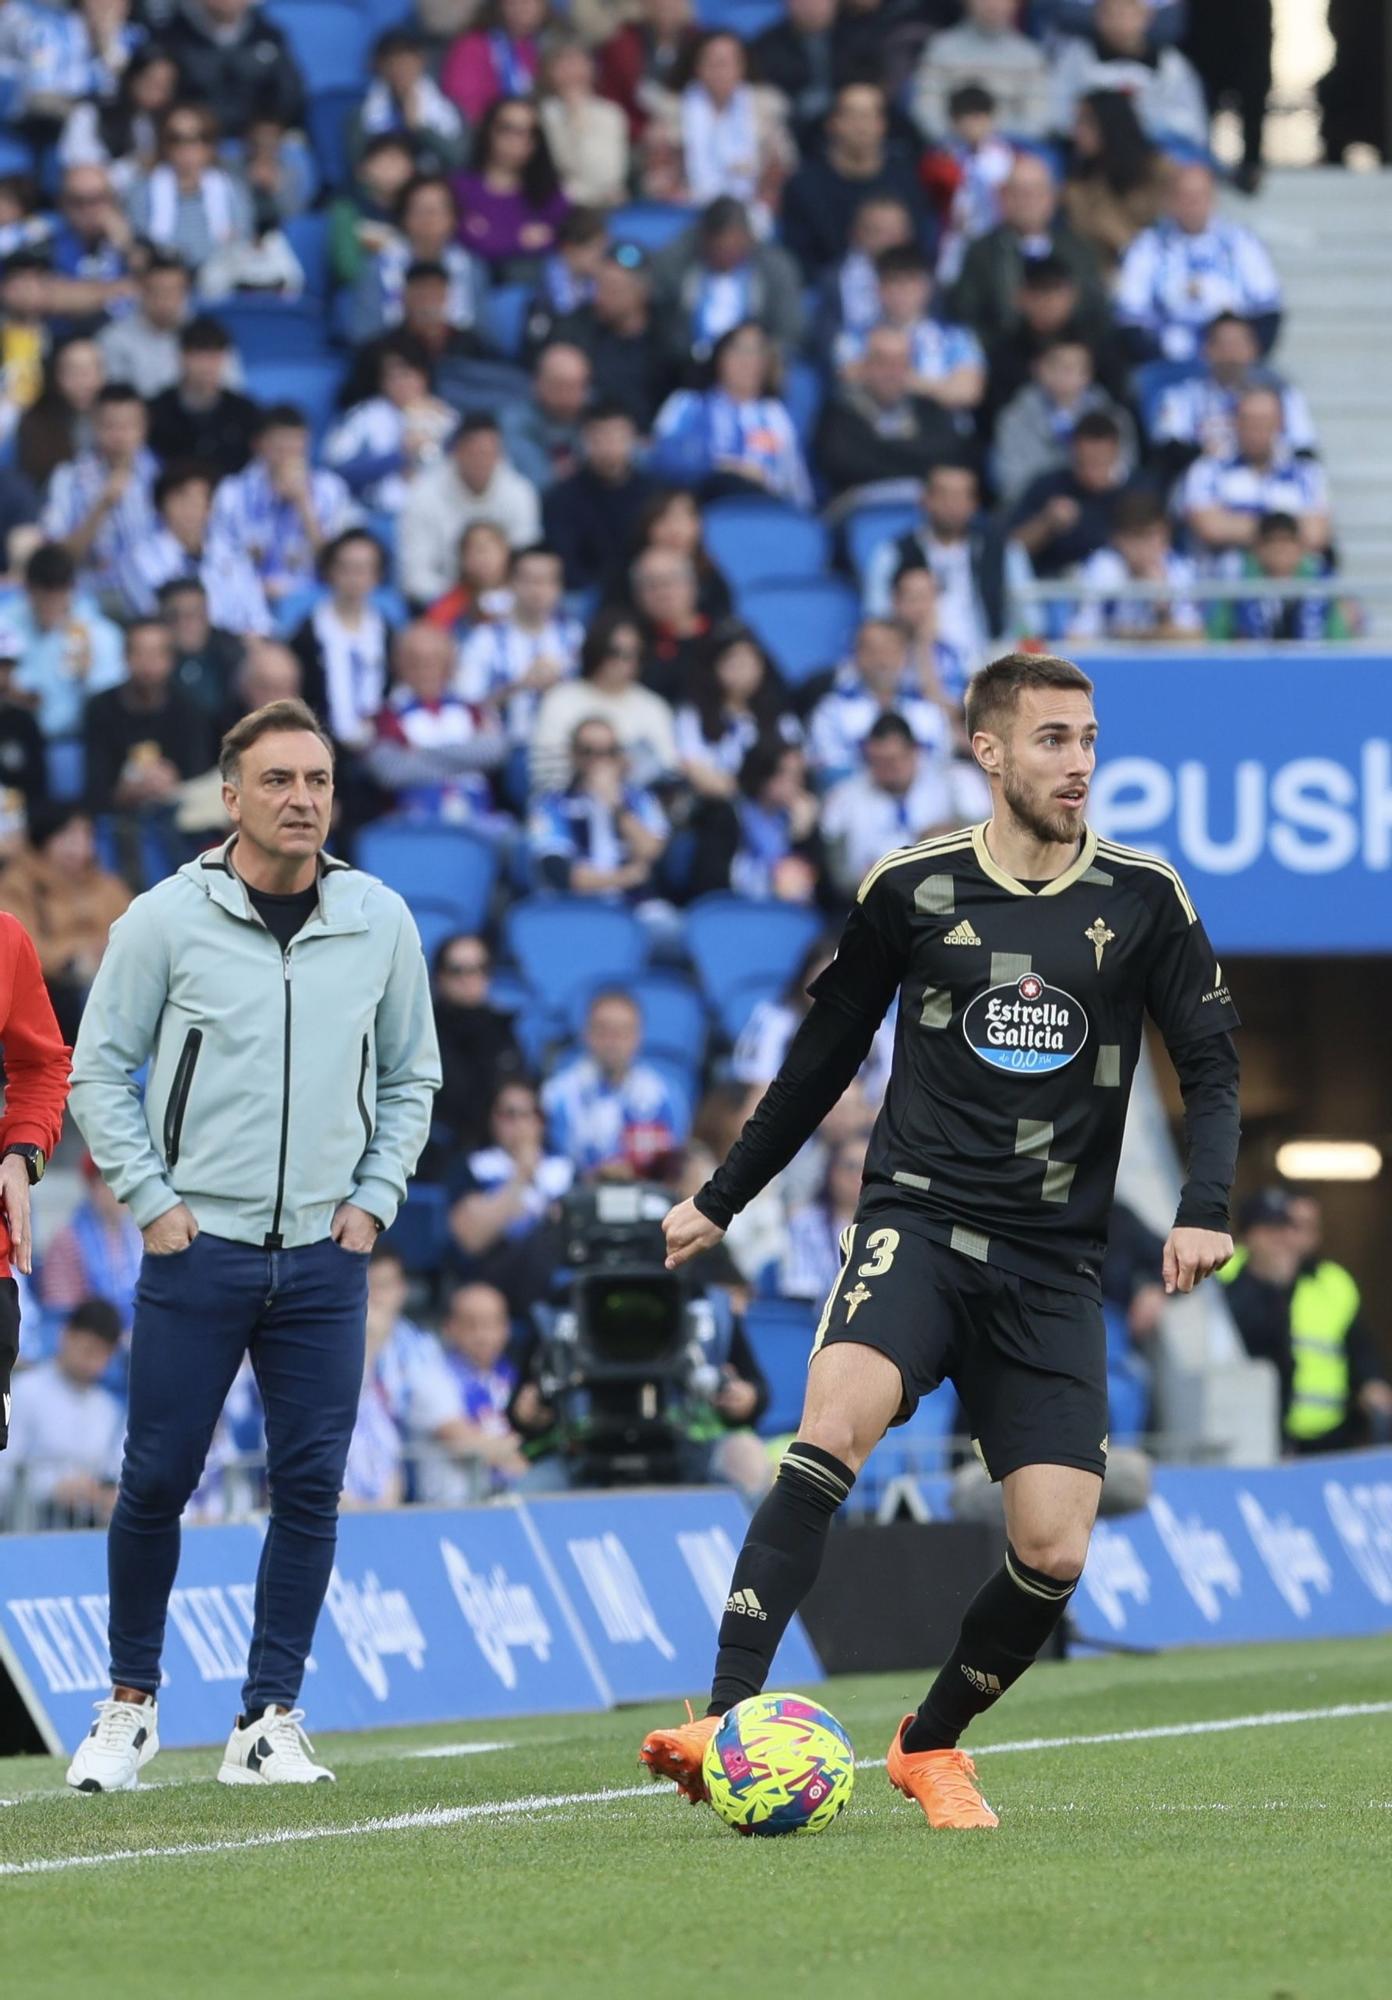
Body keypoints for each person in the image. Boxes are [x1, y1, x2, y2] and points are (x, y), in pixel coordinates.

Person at [640, 648, 1241, 1829]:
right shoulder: (911, 887)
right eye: (1054, 739)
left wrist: (1205, 1200)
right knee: (832, 1422)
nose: (1078, 762)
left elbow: (1212, 1064)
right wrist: (723, 1195)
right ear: (991, 750)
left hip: (1055, 1260)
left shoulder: (1146, 896)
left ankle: (929, 1743)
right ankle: (722, 1714)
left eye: (1088, 738)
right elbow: (821, 1062)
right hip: (919, 1219)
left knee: (1057, 1546)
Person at [65, 694, 441, 1793]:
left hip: (329, 1254)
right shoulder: (163, 919)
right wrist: (153, 1202)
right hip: (199, 1249)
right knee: (157, 1480)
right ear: (230, 796)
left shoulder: (380, 918)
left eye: (317, 781)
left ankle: (269, 1717)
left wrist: (374, 1197)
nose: (301, 799)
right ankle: (130, 1704)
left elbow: (413, 1073)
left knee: (311, 1487)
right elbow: (99, 1070)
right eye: (278, 780)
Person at [1218, 1189, 1392, 1455]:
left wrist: (1372, 1383)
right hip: (1253, 1429)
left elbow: (1360, 1347)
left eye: (1291, 1229)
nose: (1286, 1240)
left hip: (1329, 1435)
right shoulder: (1226, 1271)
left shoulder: (1333, 1282)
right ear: (1249, 1235)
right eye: (1272, 1231)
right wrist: (1267, 1284)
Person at [1115, 162, 1282, 363]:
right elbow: (1130, 316)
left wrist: (1243, 353)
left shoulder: (1241, 242)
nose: (1192, 204)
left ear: (1213, 199)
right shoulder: (1146, 247)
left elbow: (1267, 309)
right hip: (1165, 364)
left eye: (1199, 196)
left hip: (1232, 363)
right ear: (1169, 201)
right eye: (1184, 196)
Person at [821, 710, 990, 899]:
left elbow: (985, 845)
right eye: (877, 761)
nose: (886, 770)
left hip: (948, 898)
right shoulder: (843, 799)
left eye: (893, 760)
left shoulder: (955, 781)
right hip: (877, 901)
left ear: (914, 751)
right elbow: (838, 877)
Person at [948, 152, 1107, 350]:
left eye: (1036, 192)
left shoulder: (1078, 249)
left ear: (1051, 198)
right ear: (1002, 198)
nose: (1028, 202)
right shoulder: (981, 252)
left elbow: (1096, 310)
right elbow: (967, 315)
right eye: (1018, 193)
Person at [649, 321, 812, 509]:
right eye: (740, 350)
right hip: (696, 508)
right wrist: (718, 466)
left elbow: (796, 484)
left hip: (760, 511)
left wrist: (764, 477)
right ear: (720, 357)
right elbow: (661, 459)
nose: (748, 361)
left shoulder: (775, 415)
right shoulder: (686, 404)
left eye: (757, 353)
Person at [209, 405, 359, 607]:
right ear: (259, 445)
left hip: (313, 601)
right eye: (279, 447)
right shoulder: (231, 492)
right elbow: (217, 556)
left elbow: (338, 563)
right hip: (243, 598)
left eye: (295, 446)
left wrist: (304, 504)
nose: (287, 455)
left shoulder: (331, 489)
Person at [864, 460, 1009, 668]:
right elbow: (877, 617)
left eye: (962, 496)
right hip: (915, 663)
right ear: (925, 500)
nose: (952, 504)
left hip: (990, 661)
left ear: (974, 504)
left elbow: (1026, 611)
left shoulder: (1002, 550)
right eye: (944, 495)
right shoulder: (894, 553)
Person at [446, 1079, 574, 1310]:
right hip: (496, 1277)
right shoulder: (474, 1166)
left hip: (556, 1274)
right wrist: (520, 1177)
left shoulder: (565, 1169)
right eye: (509, 1115)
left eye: (528, 1114)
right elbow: (470, 1240)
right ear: (493, 1120)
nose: (519, 1124)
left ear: (540, 1121)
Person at [640, 29, 793, 222]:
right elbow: (658, 175)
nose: (720, 71)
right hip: (686, 213)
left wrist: (760, 205)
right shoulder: (671, 114)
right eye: (712, 63)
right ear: (697, 67)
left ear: (742, 67)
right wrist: (682, 200)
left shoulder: (766, 111)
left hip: (753, 215)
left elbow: (778, 170)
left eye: (727, 63)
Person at [82, 617, 214, 838]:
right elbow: (94, 787)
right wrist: (124, 792)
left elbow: (200, 777)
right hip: (119, 820)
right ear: (124, 657)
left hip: (181, 819)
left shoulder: (190, 708)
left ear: (171, 659)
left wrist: (174, 784)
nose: (148, 663)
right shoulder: (100, 708)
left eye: (157, 654)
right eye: (139, 653)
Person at [779, 82, 925, 281]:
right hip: (827, 295)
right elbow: (798, 257)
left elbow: (920, 245)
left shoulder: (907, 180)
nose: (861, 126)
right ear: (832, 123)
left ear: (882, 124)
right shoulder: (804, 185)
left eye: (868, 116)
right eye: (852, 116)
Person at [366, 620, 506, 825]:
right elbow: (390, 772)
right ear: (399, 665)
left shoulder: (472, 709)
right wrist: (465, 759)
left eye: (435, 660)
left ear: (449, 664)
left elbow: (495, 752)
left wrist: (419, 754)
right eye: (415, 661)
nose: (425, 669)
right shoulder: (387, 715)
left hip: (478, 819)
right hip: (415, 822)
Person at [0, 1300, 123, 1529]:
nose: (92, 1363)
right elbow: (4, 1471)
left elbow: (110, 1473)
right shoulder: (25, 1391)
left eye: (102, 1355)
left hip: (84, 1533)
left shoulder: (107, 1409)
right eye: (88, 1350)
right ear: (66, 1335)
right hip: (26, 1530)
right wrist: (51, 1488)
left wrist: (103, 1494)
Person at [1148, 312, 1317, 477]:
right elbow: (1168, 452)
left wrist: (1257, 450)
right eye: (1223, 345)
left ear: (1253, 349)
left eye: (1238, 344)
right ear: (1206, 349)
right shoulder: (1180, 396)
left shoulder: (1282, 394)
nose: (1230, 354)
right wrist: (1210, 455)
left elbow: (1305, 452)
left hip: (1268, 487)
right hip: (1200, 489)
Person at [398, 413, 542, 607]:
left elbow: (527, 563)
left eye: (489, 453)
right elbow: (415, 576)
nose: (482, 461)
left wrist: (497, 598)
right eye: (474, 452)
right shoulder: (423, 494)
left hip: (508, 602)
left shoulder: (520, 492)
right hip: (444, 604)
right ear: (456, 452)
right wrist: (467, 602)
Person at [648, 196, 804, 373]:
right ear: (705, 241)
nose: (728, 257)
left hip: (753, 369)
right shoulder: (678, 263)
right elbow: (663, 321)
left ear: (749, 239)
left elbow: (789, 329)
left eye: (735, 248)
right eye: (720, 249)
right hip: (687, 366)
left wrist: (762, 358)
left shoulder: (775, 269)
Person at [816, 323, 965, 505]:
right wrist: (914, 454)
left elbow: (947, 456)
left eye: (899, 363)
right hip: (858, 511)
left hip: (923, 509)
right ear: (865, 366)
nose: (891, 372)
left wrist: (879, 448)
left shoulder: (931, 409)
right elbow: (844, 464)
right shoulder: (840, 410)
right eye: (882, 362)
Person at [530, 608, 677, 793]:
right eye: (613, 652)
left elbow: (668, 769)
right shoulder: (560, 698)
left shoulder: (654, 707)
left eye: (631, 654)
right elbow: (545, 773)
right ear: (596, 649)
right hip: (568, 808)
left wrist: (624, 779)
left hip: (635, 808)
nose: (621, 662)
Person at [1179, 387, 1332, 562]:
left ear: (1280, 423)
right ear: (1235, 422)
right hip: (1224, 585)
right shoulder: (1206, 470)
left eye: (1264, 421)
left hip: (1291, 585)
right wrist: (1285, 532)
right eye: (1249, 420)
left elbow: (1316, 534)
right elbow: (1209, 528)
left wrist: (1234, 524)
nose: (1257, 429)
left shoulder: (1307, 473)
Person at [41, 381, 158, 605]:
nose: (119, 436)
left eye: (128, 426)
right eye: (110, 426)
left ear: (144, 428)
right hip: (92, 597)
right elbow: (57, 558)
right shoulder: (68, 478)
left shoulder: (160, 476)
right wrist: (102, 505)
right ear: (94, 426)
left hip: (152, 594)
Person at [119, 461, 271, 632]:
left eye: (200, 500)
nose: (191, 509)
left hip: (239, 648)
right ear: (161, 505)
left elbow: (259, 617)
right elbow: (154, 615)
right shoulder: (140, 559)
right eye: (183, 499)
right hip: (177, 648)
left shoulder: (233, 554)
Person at [530, 716, 669, 902]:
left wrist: (617, 806)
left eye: (609, 752)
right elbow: (562, 875)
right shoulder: (551, 804)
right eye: (588, 751)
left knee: (666, 925)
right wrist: (627, 877)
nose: (599, 760)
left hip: (637, 908)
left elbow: (651, 853)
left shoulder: (641, 799)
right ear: (573, 754)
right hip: (576, 908)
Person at [832, 245, 985, 414]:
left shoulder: (956, 338)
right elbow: (849, 378)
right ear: (878, 289)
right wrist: (937, 387)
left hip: (940, 434)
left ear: (926, 287)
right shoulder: (853, 337)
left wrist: (897, 378)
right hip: (870, 431)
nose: (901, 293)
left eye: (909, 282)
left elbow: (968, 392)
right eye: (892, 282)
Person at [458, 542, 582, 749]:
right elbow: (466, 708)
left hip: (564, 745)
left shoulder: (573, 634)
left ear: (559, 587)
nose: (537, 590)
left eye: (547, 581)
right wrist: (518, 686)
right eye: (529, 580)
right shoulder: (484, 638)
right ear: (511, 582)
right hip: (504, 748)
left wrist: (558, 686)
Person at [543, 989, 680, 1175]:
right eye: (603, 1030)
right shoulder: (556, 1095)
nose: (613, 1041)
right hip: (578, 1197)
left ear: (638, 1037)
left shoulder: (663, 1095)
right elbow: (549, 1165)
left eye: (622, 1031)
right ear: (586, 1034)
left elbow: (672, 1162)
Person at [346, 174, 487, 348]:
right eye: (419, 210)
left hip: (456, 362)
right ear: (403, 217)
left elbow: (480, 335)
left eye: (437, 210)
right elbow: (364, 337)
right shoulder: (376, 269)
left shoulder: (472, 269)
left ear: (454, 218)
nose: (429, 219)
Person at [537, 246, 669, 429]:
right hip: (589, 436)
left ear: (641, 292)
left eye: (613, 289)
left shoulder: (667, 332)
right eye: (599, 286)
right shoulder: (575, 326)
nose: (600, 297)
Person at [322, 334, 456, 514]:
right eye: (392, 377)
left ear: (423, 376)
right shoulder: (363, 417)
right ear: (381, 382)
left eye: (407, 374)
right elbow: (338, 474)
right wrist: (399, 456)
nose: (402, 383)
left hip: (436, 516)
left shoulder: (449, 416)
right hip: (376, 514)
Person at [5, 540, 125, 739]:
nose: (50, 606)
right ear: (28, 590)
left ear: (72, 589)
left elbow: (114, 705)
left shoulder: (101, 634)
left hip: (83, 740)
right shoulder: (5, 624)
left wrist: (89, 677)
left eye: (58, 595)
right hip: (17, 737)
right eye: (43, 596)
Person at [808, 616, 953, 781]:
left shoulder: (928, 711)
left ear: (904, 656)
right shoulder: (830, 711)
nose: (882, 660)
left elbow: (942, 769)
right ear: (856, 655)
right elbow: (831, 775)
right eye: (872, 651)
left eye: (890, 650)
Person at [994, 336, 1135, 505]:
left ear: (1089, 373)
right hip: (1038, 510)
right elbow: (1012, 483)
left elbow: (1126, 472)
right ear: (1038, 369)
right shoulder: (1014, 419)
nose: (1067, 374)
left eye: (1075, 367)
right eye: (1058, 366)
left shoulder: (1115, 417)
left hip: (1105, 508)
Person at [1049, 0, 1208, 147]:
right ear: (1096, 15)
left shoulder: (1171, 65)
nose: (1118, 23)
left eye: (1127, 14)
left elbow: (1192, 125)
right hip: (1090, 150)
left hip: (1153, 150)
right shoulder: (1077, 56)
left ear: (1147, 16)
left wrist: (1141, 126)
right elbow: (1057, 110)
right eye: (1109, 13)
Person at [290, 529, 393, 755]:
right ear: (330, 572)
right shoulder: (307, 633)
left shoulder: (386, 631)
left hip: (379, 749)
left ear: (377, 575)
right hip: (321, 747)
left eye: (363, 569)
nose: (354, 578)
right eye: (346, 568)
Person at [688, 737, 823, 904]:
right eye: (791, 775)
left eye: (801, 775)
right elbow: (709, 880)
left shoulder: (799, 818)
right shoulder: (728, 815)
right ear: (765, 777)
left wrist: (803, 835)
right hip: (736, 910)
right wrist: (770, 883)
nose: (799, 783)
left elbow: (818, 889)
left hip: (785, 913)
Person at [125, 104, 254, 273]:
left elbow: (241, 240)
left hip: (220, 278)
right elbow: (139, 245)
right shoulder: (142, 190)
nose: (185, 148)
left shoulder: (232, 189)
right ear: (164, 144)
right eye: (175, 139)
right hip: (162, 278)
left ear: (210, 146)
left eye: (195, 138)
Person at [543, 402, 656, 593]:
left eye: (617, 435)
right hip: (586, 592)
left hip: (642, 590)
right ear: (584, 440)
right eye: (599, 436)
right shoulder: (561, 497)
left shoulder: (653, 493)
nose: (609, 445)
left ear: (632, 439)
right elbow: (564, 561)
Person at [675, 623, 795, 800]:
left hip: (768, 805)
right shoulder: (693, 715)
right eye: (733, 662)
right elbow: (692, 767)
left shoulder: (779, 716)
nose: (742, 670)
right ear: (714, 666)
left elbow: (792, 767)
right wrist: (744, 791)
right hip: (715, 806)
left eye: (748, 662)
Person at [429, 933, 524, 1156]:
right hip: (434, 1158)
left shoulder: (504, 1031)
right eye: (457, 970)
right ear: (439, 977)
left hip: (498, 1154)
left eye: (479, 969)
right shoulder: (421, 1033)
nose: (469, 979)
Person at [1008, 410, 1134, 578]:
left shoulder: (1136, 492)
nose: (1091, 471)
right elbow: (1012, 549)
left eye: (1099, 462)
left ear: (1115, 453)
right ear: (1073, 452)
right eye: (1084, 462)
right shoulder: (1048, 486)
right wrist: (1046, 522)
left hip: (1119, 592)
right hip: (1054, 591)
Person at [452, 95, 569, 274]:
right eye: (507, 129)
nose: (516, 140)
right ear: (488, 131)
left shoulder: (550, 195)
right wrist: (519, 240)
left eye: (527, 132)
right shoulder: (458, 188)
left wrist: (488, 236)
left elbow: (563, 245)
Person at [1068, 489, 1203, 642]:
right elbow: (1077, 640)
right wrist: (1152, 637)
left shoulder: (1181, 570)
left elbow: (1194, 640)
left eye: (1153, 536)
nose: (1147, 547)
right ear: (1118, 539)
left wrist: (1162, 610)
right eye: (1137, 537)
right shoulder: (1102, 568)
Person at [1060, 89, 1171, 274]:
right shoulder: (1077, 187)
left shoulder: (1156, 170)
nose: (1075, 132)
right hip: (1105, 278)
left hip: (1161, 268)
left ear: (1110, 124)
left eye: (1084, 123)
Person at [163, 0, 305, 139]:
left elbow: (288, 91)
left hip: (256, 143)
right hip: (191, 141)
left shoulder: (270, 36)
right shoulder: (174, 37)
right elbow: (161, 93)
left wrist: (269, 124)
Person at [1207, 511, 1355, 644]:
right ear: (1258, 548)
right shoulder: (1237, 582)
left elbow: (1338, 643)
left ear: (1300, 547)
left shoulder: (1321, 583)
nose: (1280, 549)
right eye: (1272, 541)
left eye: (1287, 541)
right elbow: (1218, 639)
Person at [912, 0, 1051, 141]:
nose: (992, 4)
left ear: (1016, 3)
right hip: (951, 148)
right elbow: (927, 113)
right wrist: (964, 136)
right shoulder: (940, 50)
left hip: (1014, 149)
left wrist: (988, 140)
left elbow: (1037, 120)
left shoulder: (1029, 56)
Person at [435, 1282, 528, 1491]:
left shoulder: (512, 1376)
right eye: (471, 1325)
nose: (482, 1335)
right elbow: (463, 1441)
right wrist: (509, 1451)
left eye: (492, 1324)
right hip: (459, 1505)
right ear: (449, 1327)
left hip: (510, 1494)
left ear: (507, 1328)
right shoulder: (436, 1377)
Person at [40, 1152, 145, 1332]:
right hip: (90, 1340)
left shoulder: (137, 1237)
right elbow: (61, 1311)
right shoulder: (68, 1238)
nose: (122, 1191)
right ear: (93, 1187)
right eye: (111, 1182)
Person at [145, 316, 258, 477]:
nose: (206, 366)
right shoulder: (155, 412)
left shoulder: (246, 412)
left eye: (214, 356)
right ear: (181, 357)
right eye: (198, 356)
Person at [350, 26, 467, 177]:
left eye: (407, 61)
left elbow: (459, 159)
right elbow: (357, 169)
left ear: (421, 61)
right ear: (379, 66)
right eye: (392, 62)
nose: (400, 69)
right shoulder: (360, 115)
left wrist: (420, 129)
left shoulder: (449, 109)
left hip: (433, 188)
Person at [540, 31, 630, 207]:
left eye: (577, 61)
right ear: (548, 71)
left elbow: (609, 174)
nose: (571, 70)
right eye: (562, 63)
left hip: (606, 204)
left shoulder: (611, 113)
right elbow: (565, 166)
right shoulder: (543, 114)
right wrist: (574, 117)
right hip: (562, 205)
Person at [780, 1138, 869, 1303]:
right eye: (851, 1166)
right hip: (813, 1318)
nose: (859, 1176)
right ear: (831, 1172)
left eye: (867, 1168)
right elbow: (801, 1286)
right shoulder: (803, 1223)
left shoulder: (889, 1228)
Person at [499, 341, 593, 492]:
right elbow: (531, 481)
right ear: (537, 383)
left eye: (575, 386)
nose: (567, 396)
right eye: (559, 386)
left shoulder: (597, 414)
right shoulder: (514, 421)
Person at [96, 252, 191, 400]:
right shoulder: (114, 339)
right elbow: (116, 402)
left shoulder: (202, 336)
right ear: (142, 292)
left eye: (174, 292)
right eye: (158, 291)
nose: (166, 301)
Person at [441, 0, 547, 124]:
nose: (523, 6)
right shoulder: (472, 46)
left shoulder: (541, 47)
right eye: (513, 1)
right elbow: (463, 105)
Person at [630, 544, 710, 703]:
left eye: (670, 581)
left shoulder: (724, 635)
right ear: (637, 595)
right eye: (651, 584)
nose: (662, 593)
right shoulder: (631, 645)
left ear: (693, 585)